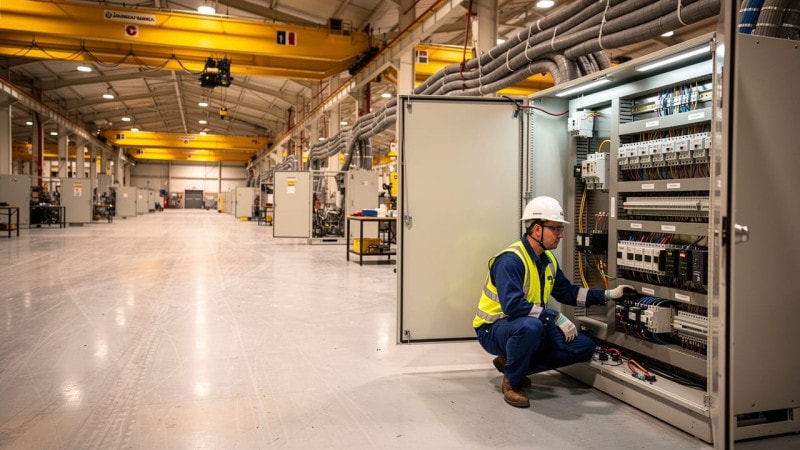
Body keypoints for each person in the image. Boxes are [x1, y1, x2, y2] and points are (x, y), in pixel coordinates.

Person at [473, 196, 633, 408]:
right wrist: (554, 316)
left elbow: (568, 293)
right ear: (537, 229)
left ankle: (512, 364)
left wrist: (608, 295)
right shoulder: (511, 261)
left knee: (584, 347)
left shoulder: (548, 261)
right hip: (493, 328)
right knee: (531, 327)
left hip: (528, 325)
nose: (561, 234)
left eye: (560, 229)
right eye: (556, 229)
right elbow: (512, 306)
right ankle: (512, 383)